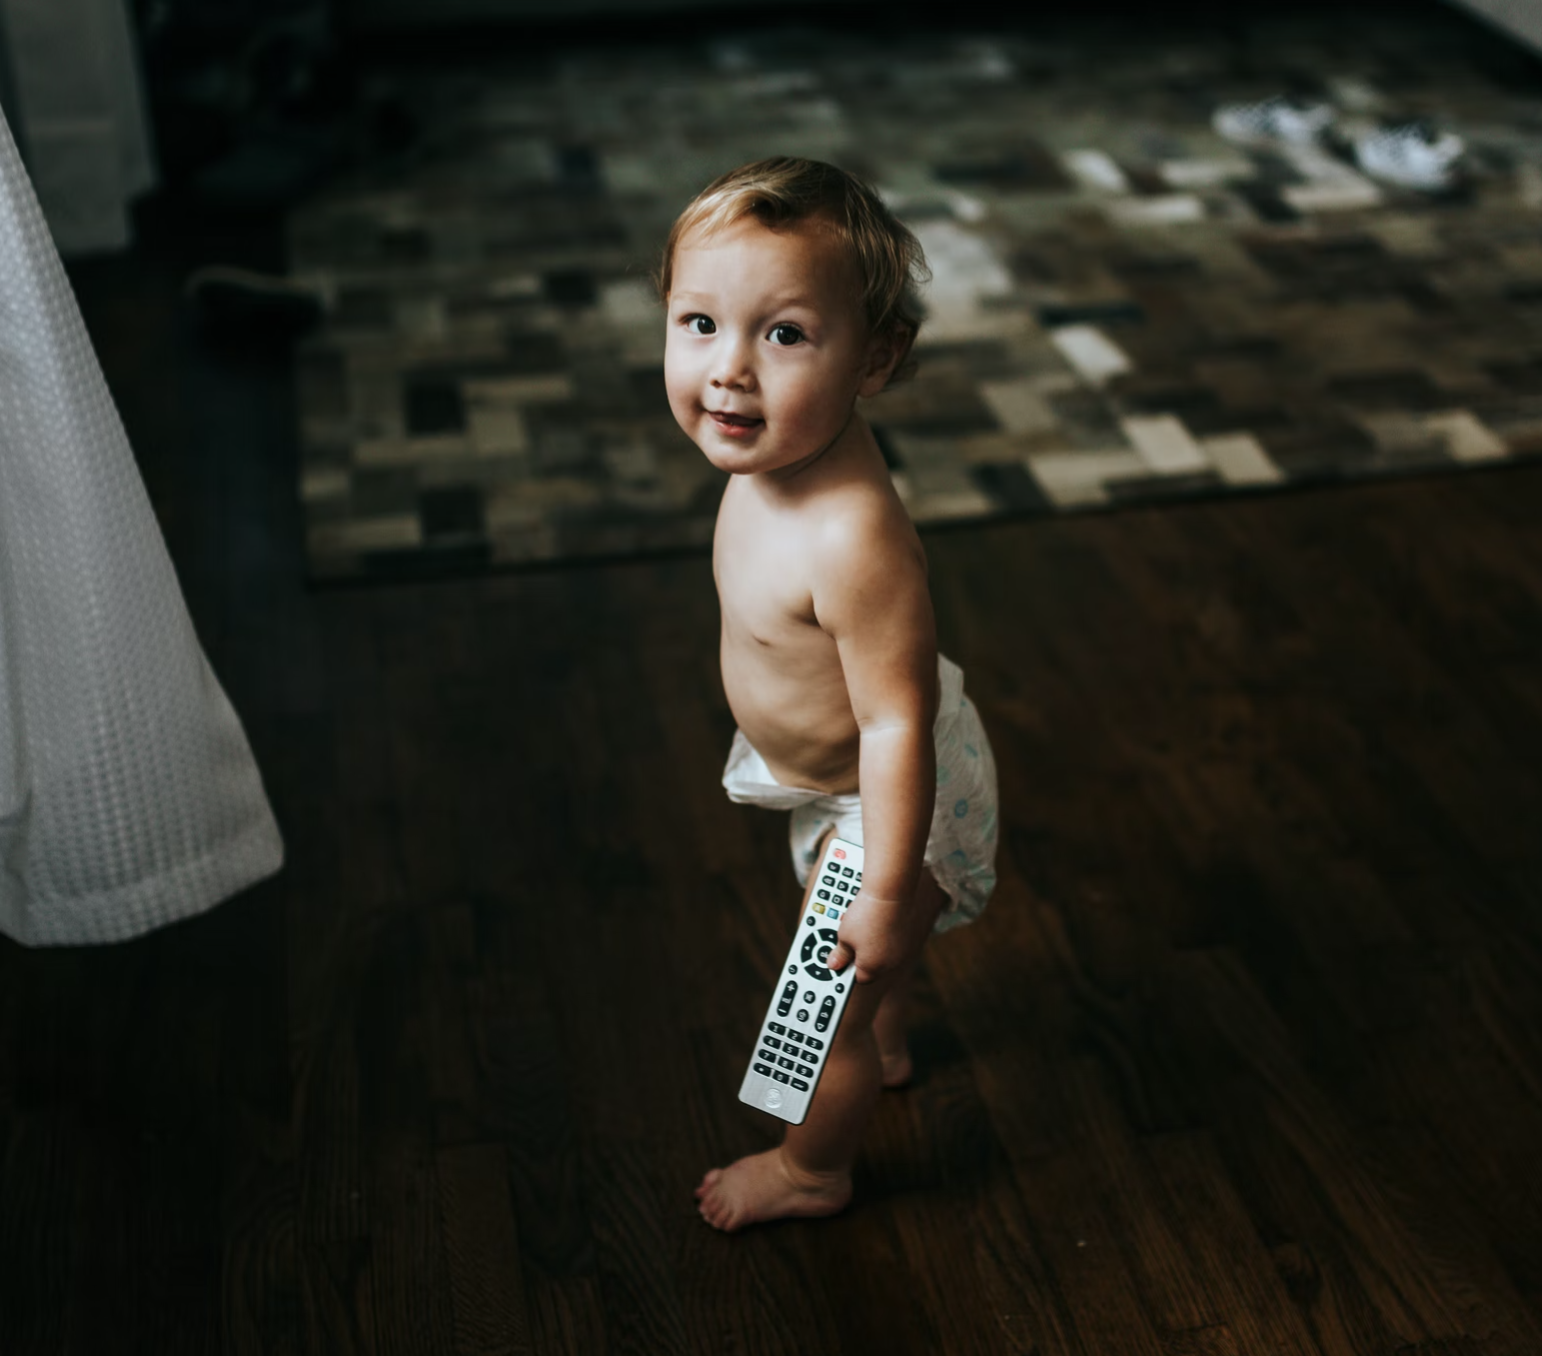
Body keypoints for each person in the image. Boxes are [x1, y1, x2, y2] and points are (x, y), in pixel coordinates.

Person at [659, 157, 999, 1231]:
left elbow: (898, 723)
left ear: (875, 360)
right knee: (859, 987)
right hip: (838, 782)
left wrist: (886, 895)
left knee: (820, 1016)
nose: (729, 371)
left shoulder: (852, 538)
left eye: (785, 335)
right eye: (700, 323)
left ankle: (814, 1168)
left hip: (892, 797)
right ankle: (883, 1028)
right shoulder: (774, 454)